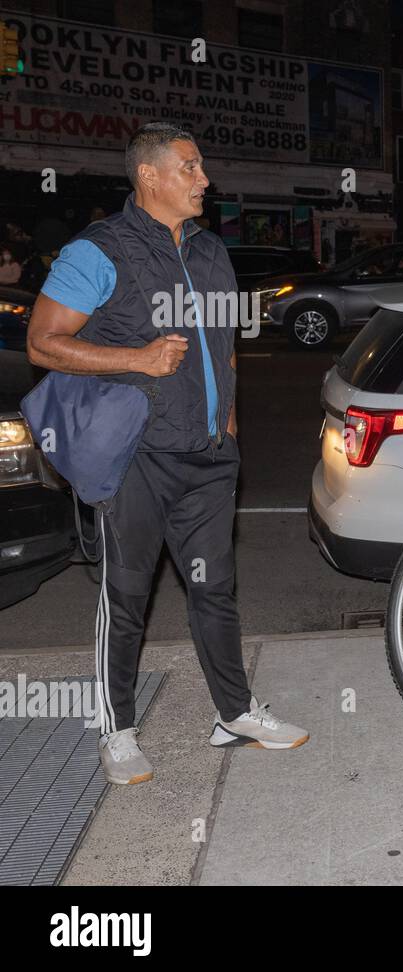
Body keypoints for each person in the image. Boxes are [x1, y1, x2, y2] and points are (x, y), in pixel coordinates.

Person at [26, 122, 308, 787]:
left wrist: (229, 428)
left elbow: (226, 347)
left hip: (209, 457)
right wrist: (138, 359)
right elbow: (42, 342)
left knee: (215, 589)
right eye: (191, 167)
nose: (204, 179)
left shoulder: (212, 252)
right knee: (126, 597)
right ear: (149, 176)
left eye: (201, 167)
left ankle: (234, 712)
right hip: (138, 457)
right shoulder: (99, 250)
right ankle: (116, 731)